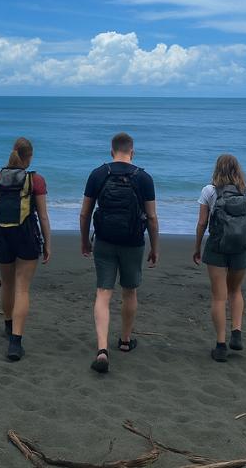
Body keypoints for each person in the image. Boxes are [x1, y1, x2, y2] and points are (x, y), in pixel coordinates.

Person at [80, 132, 158, 374]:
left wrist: (84, 241)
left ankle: (102, 349)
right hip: (133, 242)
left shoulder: (98, 174)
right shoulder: (144, 178)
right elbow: (152, 217)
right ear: (132, 152)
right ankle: (125, 341)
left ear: (111, 151)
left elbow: (84, 213)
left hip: (104, 240)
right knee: (129, 291)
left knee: (103, 293)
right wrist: (155, 247)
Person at [0, 137, 51, 361]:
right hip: (27, 236)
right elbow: (43, 216)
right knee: (22, 289)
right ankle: (15, 342)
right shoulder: (36, 180)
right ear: (29, 157)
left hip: (1, 235)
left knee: (7, 283)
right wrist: (47, 243)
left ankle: (8, 325)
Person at [193, 154, 246, 362]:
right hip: (241, 248)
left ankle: (220, 345)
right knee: (235, 290)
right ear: (238, 170)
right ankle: (236, 332)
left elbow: (202, 223)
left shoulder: (209, 191)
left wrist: (197, 247)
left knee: (219, 297)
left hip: (217, 247)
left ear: (217, 169)